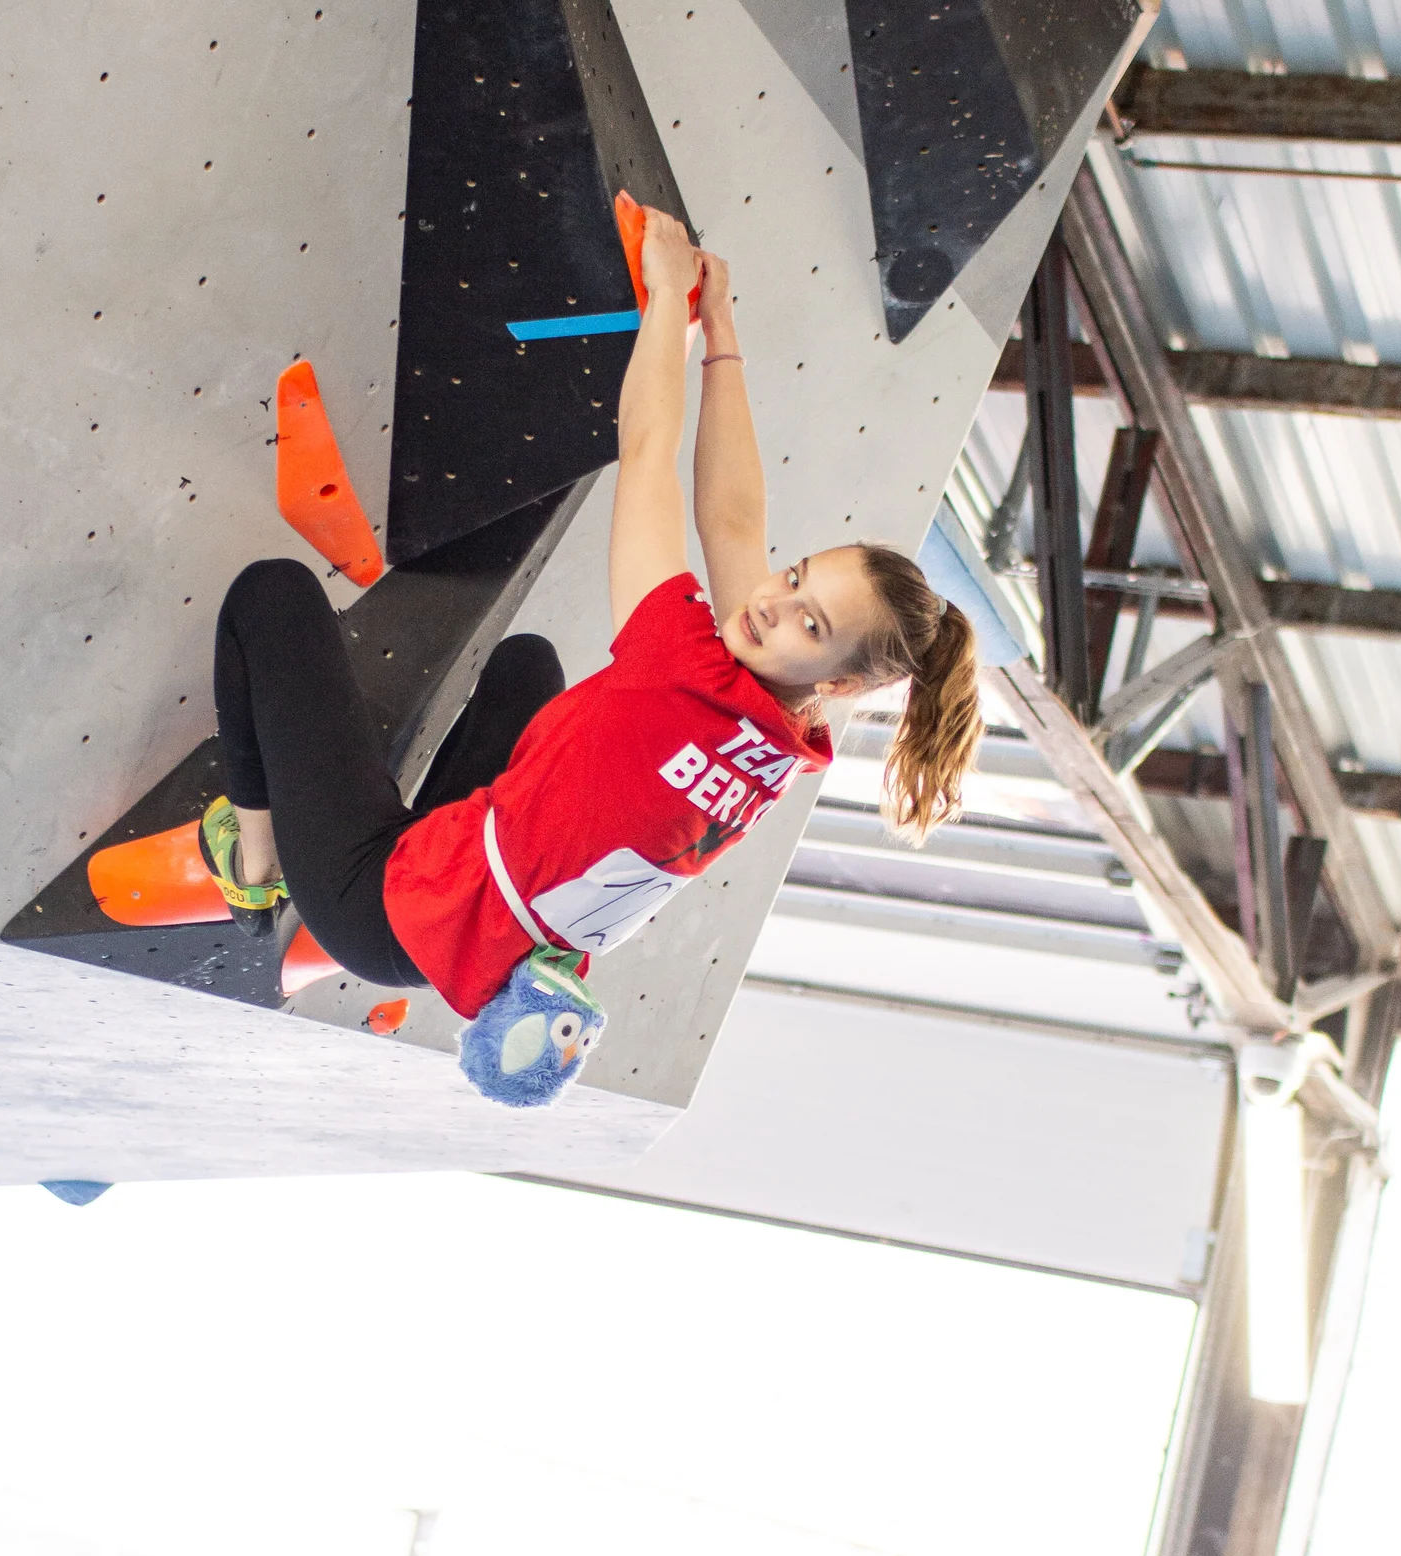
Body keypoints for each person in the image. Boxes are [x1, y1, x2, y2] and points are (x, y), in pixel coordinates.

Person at [200, 212, 979, 1109]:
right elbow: (733, 519)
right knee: (528, 668)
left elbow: (645, 450)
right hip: (474, 913)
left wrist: (664, 306)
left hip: (378, 908)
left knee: (270, 597)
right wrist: (721, 338)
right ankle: (501, 958)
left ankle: (253, 869)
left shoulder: (677, 665)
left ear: (840, 681)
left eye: (808, 622)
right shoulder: (780, 738)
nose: (770, 602)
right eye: (796, 576)